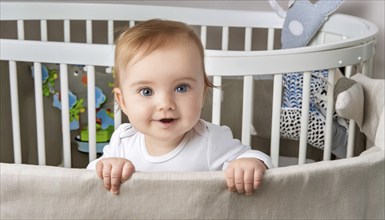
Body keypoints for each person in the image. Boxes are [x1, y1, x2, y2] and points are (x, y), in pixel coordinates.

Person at [87, 19, 273, 195]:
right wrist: (105, 168)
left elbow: (257, 159)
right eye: (146, 91)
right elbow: (84, 182)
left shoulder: (210, 141)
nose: (166, 104)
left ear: (202, 94)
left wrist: (250, 164)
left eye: (181, 88)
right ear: (123, 101)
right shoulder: (123, 142)